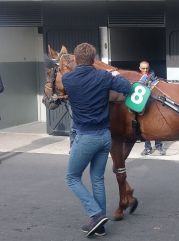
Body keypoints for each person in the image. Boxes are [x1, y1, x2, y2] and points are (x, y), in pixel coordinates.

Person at [63, 43, 132, 237]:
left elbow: (60, 88)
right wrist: (115, 73)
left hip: (86, 137)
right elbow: (127, 87)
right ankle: (99, 224)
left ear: (76, 60)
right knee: (97, 179)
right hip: (104, 136)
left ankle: (95, 213)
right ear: (94, 59)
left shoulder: (68, 79)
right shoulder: (104, 76)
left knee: (72, 177)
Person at [138, 60, 166, 156]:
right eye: (143, 68)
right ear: (139, 69)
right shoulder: (137, 77)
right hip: (143, 107)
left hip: (154, 106)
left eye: (147, 68)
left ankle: (159, 146)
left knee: (157, 127)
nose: (145, 70)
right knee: (145, 128)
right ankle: (147, 148)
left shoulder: (153, 77)